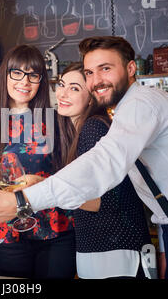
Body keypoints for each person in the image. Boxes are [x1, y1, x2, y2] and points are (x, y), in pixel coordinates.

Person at [0, 36, 168, 279]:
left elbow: (103, 166)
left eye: (105, 69)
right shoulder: (113, 117)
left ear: (131, 69)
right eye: (89, 73)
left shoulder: (139, 105)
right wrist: (166, 245)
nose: (97, 79)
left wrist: (23, 199)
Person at [0, 45, 76, 278]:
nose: (25, 82)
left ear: (41, 80)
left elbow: (74, 173)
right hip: (10, 232)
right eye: (17, 73)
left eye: (33, 75)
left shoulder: (59, 121)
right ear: (5, 75)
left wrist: (39, 182)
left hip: (56, 230)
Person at [55, 62, 150, 279]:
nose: (63, 93)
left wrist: (49, 192)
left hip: (115, 249)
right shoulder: (82, 130)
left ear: (91, 98)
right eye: (61, 85)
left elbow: (106, 201)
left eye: (75, 88)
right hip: (105, 248)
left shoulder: (93, 128)